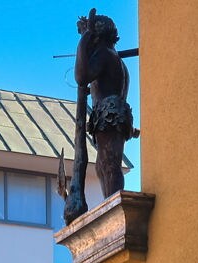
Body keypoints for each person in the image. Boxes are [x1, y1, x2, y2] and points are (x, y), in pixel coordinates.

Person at [74, 9, 137, 198]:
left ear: (96, 37)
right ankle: (110, 201)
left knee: (109, 164)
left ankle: (113, 205)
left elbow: (81, 77)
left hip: (108, 115)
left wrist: (83, 40)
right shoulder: (113, 57)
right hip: (112, 113)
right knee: (102, 166)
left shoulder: (104, 54)